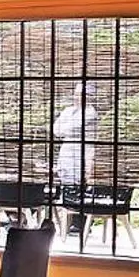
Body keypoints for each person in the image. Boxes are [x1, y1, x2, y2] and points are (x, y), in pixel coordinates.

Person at [53, 88, 99, 236]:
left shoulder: (91, 113)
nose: (78, 97)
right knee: (66, 185)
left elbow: (72, 128)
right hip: (67, 152)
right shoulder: (68, 110)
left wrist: (65, 127)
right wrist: (65, 128)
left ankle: (80, 224)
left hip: (82, 152)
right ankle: (69, 223)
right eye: (76, 94)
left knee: (79, 185)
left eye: (82, 95)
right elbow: (56, 130)